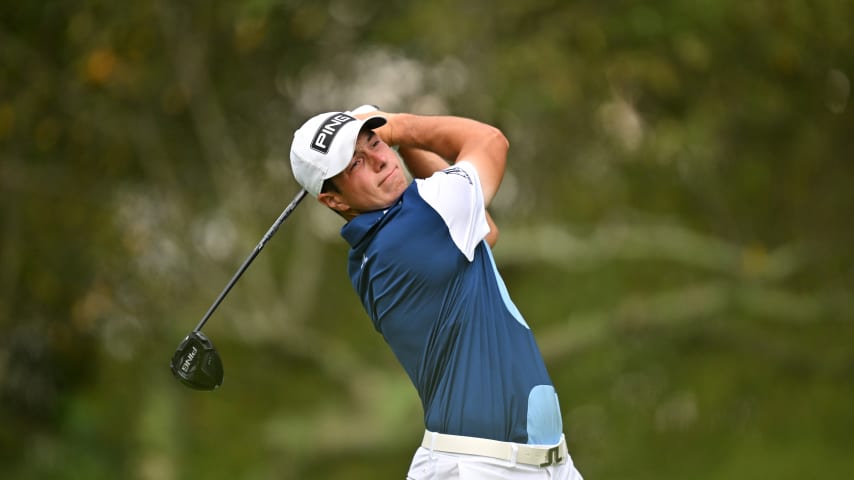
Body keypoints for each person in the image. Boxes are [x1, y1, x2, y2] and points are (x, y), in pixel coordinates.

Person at [289, 106, 583, 479]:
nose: (380, 160)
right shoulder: (413, 228)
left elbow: (484, 229)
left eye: (374, 141)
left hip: (533, 465)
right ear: (335, 201)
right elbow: (490, 142)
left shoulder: (385, 241)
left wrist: (403, 147)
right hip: (481, 468)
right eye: (355, 164)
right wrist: (398, 127)